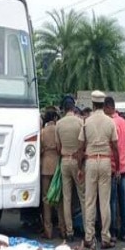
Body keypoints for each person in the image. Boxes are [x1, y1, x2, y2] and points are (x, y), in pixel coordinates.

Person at [78, 91, 119, 249]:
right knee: (105, 201)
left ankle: (89, 236)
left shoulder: (87, 122)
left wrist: (80, 167)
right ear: (103, 104)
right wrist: (117, 167)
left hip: (90, 161)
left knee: (89, 201)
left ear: (93, 104)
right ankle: (105, 237)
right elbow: (115, 146)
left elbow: (81, 146)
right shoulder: (110, 122)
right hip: (105, 161)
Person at [105, 96, 125, 242]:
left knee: (112, 201)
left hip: (113, 168)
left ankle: (112, 231)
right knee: (123, 200)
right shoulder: (124, 123)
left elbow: (113, 147)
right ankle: (124, 231)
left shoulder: (110, 123)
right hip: (123, 168)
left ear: (107, 108)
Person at [56, 96, 86, 241]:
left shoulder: (59, 124)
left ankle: (69, 231)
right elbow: (84, 143)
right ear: (73, 108)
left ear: (64, 108)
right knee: (83, 197)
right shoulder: (80, 122)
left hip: (64, 161)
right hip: (77, 161)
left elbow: (58, 147)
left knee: (67, 198)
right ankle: (88, 230)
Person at [40, 108, 65, 239]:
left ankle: (48, 230)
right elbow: (60, 148)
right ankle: (62, 228)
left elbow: (40, 150)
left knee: (46, 199)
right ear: (55, 118)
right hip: (56, 166)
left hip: (45, 166)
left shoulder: (42, 132)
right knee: (59, 198)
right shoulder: (58, 130)